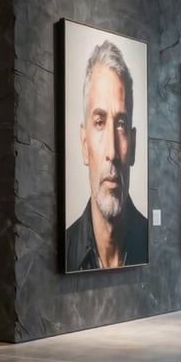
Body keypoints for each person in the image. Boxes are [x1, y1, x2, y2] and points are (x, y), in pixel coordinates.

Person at [66, 40, 148, 271]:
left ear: (132, 146)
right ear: (84, 144)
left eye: (121, 125)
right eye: (100, 122)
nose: (111, 152)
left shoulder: (153, 243)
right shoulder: (64, 251)